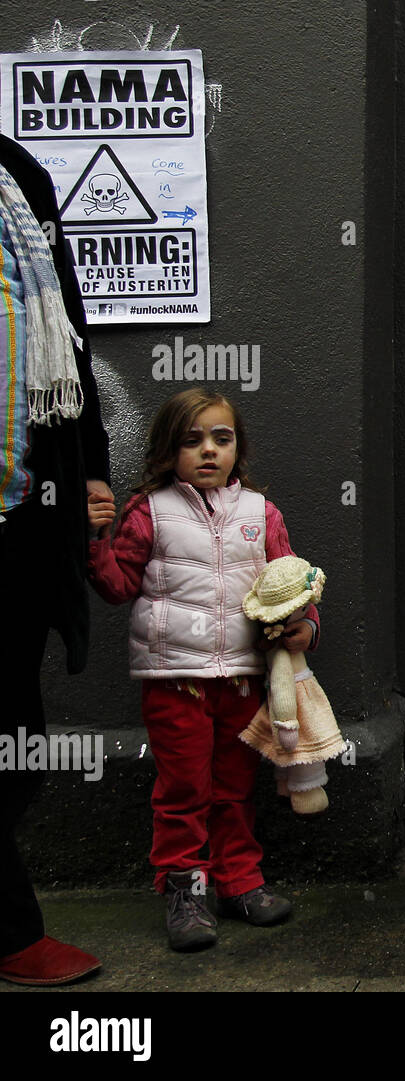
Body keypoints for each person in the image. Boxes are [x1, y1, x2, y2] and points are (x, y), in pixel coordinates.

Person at [88, 387, 318, 950]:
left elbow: (292, 582)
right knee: (185, 787)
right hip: (175, 680)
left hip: (244, 678)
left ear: (239, 448)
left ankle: (239, 881)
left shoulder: (261, 514)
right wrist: (95, 537)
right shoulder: (149, 510)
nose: (209, 451)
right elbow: (117, 587)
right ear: (169, 450)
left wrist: (307, 625)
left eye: (222, 438)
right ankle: (186, 892)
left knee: (235, 787)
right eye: (192, 440)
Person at [0, 133, 112, 985]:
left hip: (20, 511)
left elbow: (65, 331)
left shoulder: (15, 174)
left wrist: (92, 472)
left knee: (12, 727)